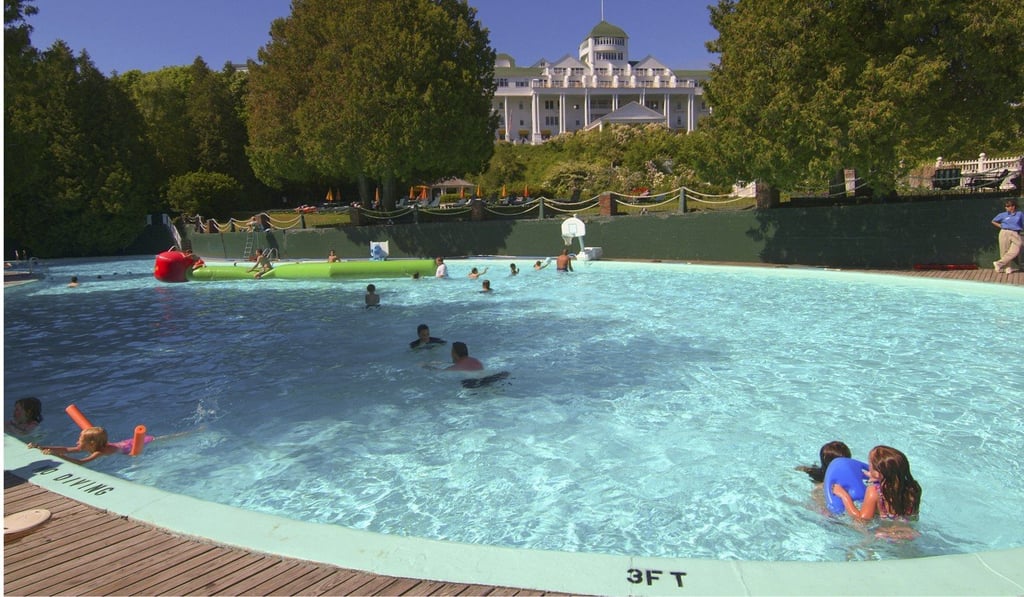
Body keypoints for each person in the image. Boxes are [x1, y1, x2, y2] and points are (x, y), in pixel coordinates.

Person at [832, 445, 921, 521]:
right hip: (909, 533)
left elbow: (861, 520)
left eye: (870, 465)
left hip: (884, 535)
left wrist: (844, 495)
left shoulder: (874, 492)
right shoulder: (914, 488)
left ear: (878, 473)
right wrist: (879, 478)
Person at [28, 426, 154, 465]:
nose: (77, 442)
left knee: (161, 441)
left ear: (91, 443)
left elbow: (81, 462)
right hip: (126, 443)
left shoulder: (99, 452)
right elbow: (66, 449)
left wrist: (59, 455)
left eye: (80, 439)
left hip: (134, 446)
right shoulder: (90, 445)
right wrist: (40, 447)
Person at [992, 199, 1022, 274]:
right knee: (1004, 251)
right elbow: (993, 221)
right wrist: (1001, 226)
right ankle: (1007, 268)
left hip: (1015, 233)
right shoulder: (1002, 215)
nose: (1009, 207)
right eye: (1007, 206)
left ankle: (998, 263)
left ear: (1014, 206)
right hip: (1004, 232)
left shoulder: (1020, 214)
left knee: (1017, 249)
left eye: (1011, 206)